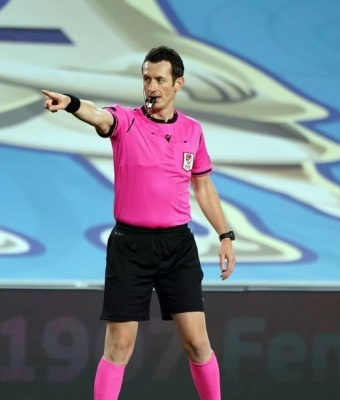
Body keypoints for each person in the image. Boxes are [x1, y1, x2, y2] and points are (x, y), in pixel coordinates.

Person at [42, 45, 236, 400]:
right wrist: (70, 103)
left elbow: (203, 186)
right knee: (119, 346)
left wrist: (225, 235)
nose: (151, 86)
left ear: (178, 83)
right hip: (130, 247)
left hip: (177, 247)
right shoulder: (126, 121)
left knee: (197, 343)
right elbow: (98, 116)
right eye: (146, 79)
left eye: (160, 79)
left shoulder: (192, 131)